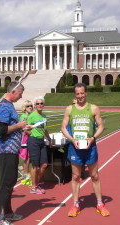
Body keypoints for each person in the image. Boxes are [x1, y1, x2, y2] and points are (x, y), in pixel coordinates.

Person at [61, 83, 110, 217]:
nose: (80, 96)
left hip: (90, 147)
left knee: (94, 176)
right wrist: (72, 139)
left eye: (82, 93)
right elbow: (63, 127)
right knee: (75, 177)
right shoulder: (69, 109)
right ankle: (76, 204)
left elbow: (100, 126)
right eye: (77, 94)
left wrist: (93, 138)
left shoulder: (93, 108)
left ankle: (100, 203)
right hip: (75, 147)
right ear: (74, 95)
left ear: (86, 93)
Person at [0, 81, 32, 225]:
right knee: (6, 184)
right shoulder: (3, 106)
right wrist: (19, 125)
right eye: (20, 94)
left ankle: (8, 213)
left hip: (12, 150)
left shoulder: (9, 106)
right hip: (6, 150)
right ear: (13, 91)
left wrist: (22, 129)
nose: (20, 97)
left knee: (10, 183)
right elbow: (2, 131)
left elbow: (11, 128)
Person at [27, 96, 52, 194]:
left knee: (44, 164)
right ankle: (34, 187)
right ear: (35, 106)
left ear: (44, 105)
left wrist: (49, 139)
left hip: (42, 141)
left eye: (41, 103)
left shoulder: (44, 116)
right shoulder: (32, 116)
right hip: (33, 141)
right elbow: (26, 128)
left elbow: (45, 129)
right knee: (35, 165)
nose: (40, 105)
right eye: (37, 103)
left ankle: (35, 184)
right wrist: (32, 135)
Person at [19, 100, 33, 186]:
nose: (30, 107)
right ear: (24, 108)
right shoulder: (24, 116)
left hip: (29, 137)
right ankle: (26, 174)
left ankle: (22, 168)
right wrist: (31, 133)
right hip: (25, 138)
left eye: (31, 105)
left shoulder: (30, 115)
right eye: (28, 106)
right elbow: (23, 128)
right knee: (27, 156)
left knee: (30, 156)